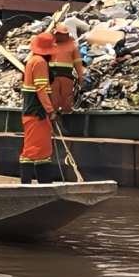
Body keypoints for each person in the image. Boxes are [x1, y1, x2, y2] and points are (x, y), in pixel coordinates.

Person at [20, 32, 59, 184]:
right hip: (37, 113)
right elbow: (41, 89)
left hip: (34, 112)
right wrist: (50, 110)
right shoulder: (40, 62)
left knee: (42, 149)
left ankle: (44, 183)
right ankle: (27, 185)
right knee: (32, 150)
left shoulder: (32, 61)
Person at [49, 23, 85, 114]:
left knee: (66, 99)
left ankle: (66, 115)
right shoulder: (50, 44)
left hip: (66, 76)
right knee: (54, 99)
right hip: (52, 76)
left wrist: (80, 77)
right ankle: (53, 115)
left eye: (62, 34)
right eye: (58, 34)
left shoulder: (72, 45)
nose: (60, 36)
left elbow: (78, 63)